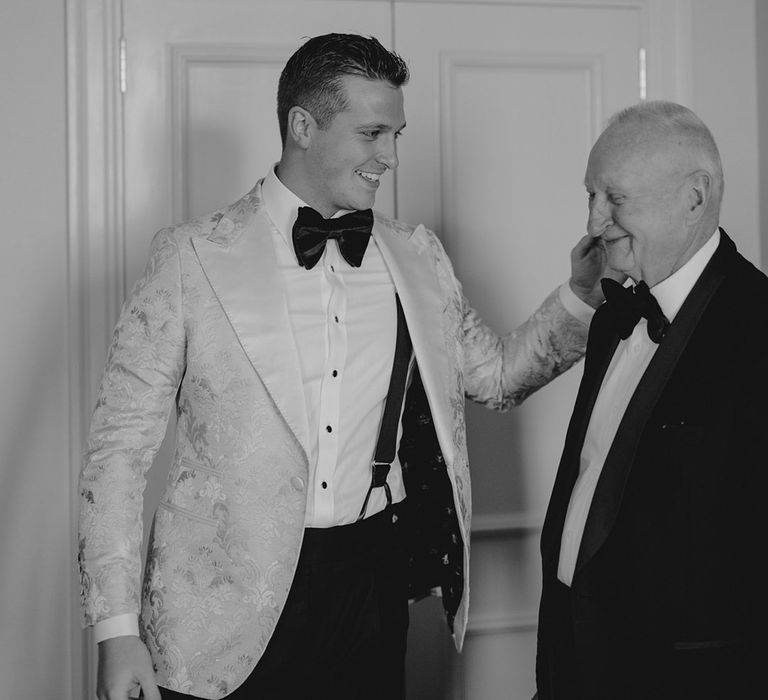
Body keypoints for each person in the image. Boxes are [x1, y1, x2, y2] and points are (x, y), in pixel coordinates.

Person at [79, 33, 605, 700]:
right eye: (371, 133)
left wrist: (580, 298)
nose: (388, 157)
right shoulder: (190, 259)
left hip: (371, 587)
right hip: (216, 616)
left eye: (396, 135)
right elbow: (117, 453)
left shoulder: (418, 259)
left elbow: (496, 377)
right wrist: (116, 629)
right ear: (303, 125)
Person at [535, 100, 768, 699]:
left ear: (695, 197)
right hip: (571, 657)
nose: (593, 220)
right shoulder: (615, 313)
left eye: (615, 198)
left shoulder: (758, 326)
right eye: (590, 195)